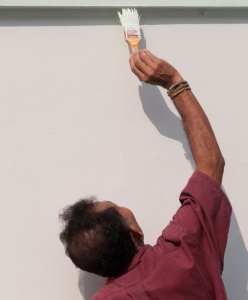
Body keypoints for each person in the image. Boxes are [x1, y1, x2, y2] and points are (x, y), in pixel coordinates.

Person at [59, 49, 232, 300]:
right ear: (134, 233)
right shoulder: (180, 253)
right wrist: (173, 81)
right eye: (117, 207)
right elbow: (212, 164)